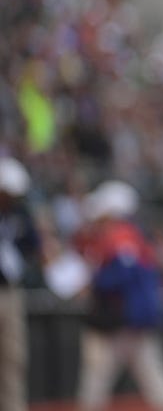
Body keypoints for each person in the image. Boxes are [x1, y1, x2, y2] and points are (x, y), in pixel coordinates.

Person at [74, 179, 163, 411]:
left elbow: (120, 276)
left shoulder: (119, 236)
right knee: (156, 380)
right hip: (137, 323)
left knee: (96, 386)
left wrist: (93, 282)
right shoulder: (136, 235)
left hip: (115, 323)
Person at [0, 156, 39, 411]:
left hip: (11, 292)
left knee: (13, 357)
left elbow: (33, 246)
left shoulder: (19, 215)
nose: (10, 200)